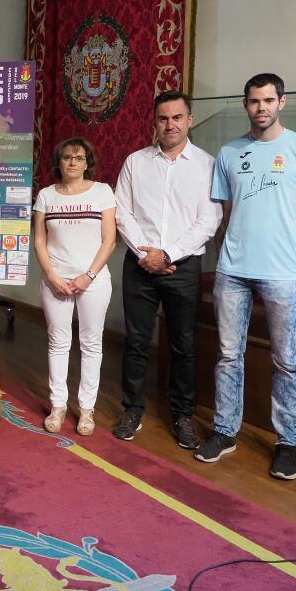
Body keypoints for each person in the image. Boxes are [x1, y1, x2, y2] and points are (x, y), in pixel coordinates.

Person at [195, 73, 296, 480]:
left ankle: (287, 443)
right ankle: (224, 430)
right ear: (245, 105)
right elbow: (227, 213)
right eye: (254, 101)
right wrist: (230, 253)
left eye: (269, 100)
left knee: (286, 361)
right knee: (229, 355)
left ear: (282, 102)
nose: (261, 108)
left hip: (283, 274)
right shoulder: (230, 152)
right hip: (233, 271)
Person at [113, 91, 221, 448]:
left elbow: (209, 220)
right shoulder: (136, 162)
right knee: (137, 342)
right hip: (139, 264)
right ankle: (132, 409)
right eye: (163, 118)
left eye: (177, 117)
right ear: (154, 122)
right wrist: (147, 255)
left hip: (183, 268)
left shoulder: (207, 165)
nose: (170, 124)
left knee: (184, 345)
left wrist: (168, 254)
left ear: (189, 120)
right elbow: (121, 211)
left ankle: (183, 416)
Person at [32, 137, 116, 436]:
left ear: (86, 162)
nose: (72, 162)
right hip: (55, 280)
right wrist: (52, 276)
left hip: (92, 280)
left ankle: (87, 410)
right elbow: (39, 239)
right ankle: (58, 405)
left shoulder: (103, 192)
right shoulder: (46, 196)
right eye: (67, 157)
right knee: (58, 342)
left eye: (78, 158)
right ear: (59, 161)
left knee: (92, 344)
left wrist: (88, 276)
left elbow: (109, 240)